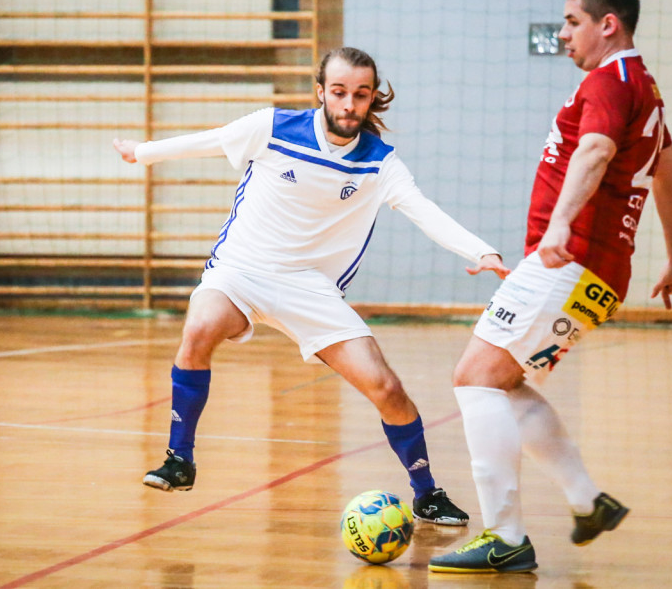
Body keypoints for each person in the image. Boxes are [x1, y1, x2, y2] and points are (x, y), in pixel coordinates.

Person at [113, 46, 510, 526]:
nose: (348, 105)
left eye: (359, 95)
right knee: (198, 328)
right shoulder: (274, 127)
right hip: (241, 271)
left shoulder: (379, 162)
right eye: (339, 93)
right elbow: (215, 140)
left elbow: (423, 210)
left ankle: (426, 493)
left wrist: (481, 252)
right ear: (321, 92)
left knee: (386, 387)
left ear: (371, 100)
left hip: (311, 289)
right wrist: (144, 153)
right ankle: (180, 460)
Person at [429, 0, 672, 572]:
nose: (563, 34)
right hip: (596, 272)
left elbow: (596, 152)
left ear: (607, 24)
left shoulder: (611, 82)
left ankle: (504, 537)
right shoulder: (641, 87)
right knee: (504, 383)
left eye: (571, 22)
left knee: (474, 379)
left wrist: (557, 228)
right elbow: (668, 173)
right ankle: (585, 500)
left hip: (568, 263)